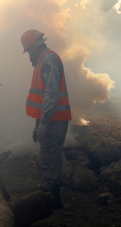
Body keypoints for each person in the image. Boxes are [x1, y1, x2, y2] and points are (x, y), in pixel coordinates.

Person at [21, 29, 72, 209]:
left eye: (28, 51)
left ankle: (51, 197)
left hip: (54, 120)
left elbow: (51, 94)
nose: (29, 56)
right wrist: (38, 124)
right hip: (51, 118)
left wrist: (43, 123)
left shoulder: (49, 59)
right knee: (49, 157)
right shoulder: (44, 60)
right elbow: (44, 97)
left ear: (34, 46)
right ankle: (52, 194)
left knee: (49, 158)